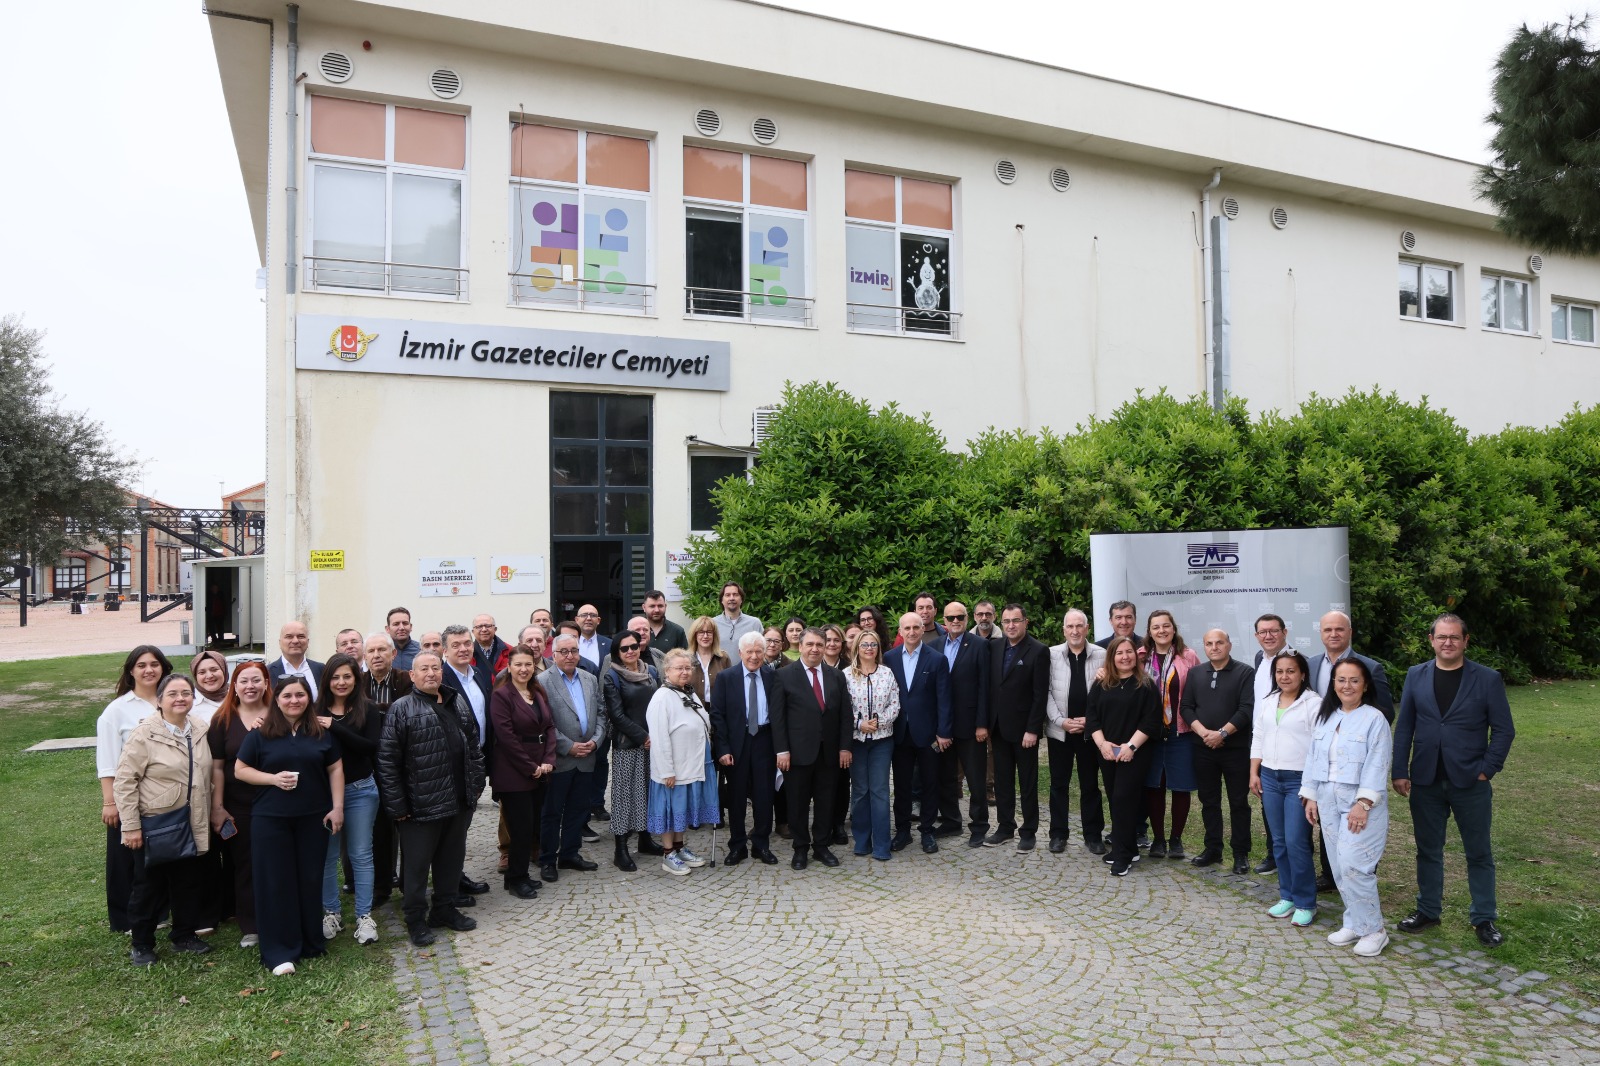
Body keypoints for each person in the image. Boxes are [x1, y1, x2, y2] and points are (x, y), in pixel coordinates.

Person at [1392, 613, 1515, 948]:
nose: (1448, 643)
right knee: (1428, 850)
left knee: (1479, 852)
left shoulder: (1487, 679)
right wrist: (1400, 770)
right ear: (1431, 640)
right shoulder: (1415, 675)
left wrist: (1487, 769)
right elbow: (1405, 727)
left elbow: (1504, 730)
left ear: (1465, 641)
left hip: (1470, 780)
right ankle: (1428, 910)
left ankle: (1484, 918)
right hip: (1425, 779)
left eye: (1454, 637)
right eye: (1442, 637)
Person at [235, 677, 345, 975]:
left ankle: (310, 942)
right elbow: (240, 769)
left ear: (309, 699)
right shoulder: (260, 733)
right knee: (275, 882)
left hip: (313, 818)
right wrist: (272, 779)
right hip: (271, 819)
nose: (294, 700)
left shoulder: (320, 732)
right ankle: (279, 952)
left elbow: (335, 768)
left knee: (309, 879)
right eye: (287, 696)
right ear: (276, 699)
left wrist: (337, 807)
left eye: (300, 695)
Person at [377, 652, 484, 947]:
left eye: (435, 668)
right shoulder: (402, 708)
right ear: (412, 675)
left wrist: (476, 784)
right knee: (416, 867)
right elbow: (387, 762)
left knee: (451, 860)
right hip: (419, 806)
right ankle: (415, 919)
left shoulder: (456, 701)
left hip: (458, 801)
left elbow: (474, 746)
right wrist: (398, 805)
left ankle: (444, 910)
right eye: (423, 669)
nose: (431, 673)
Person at [114, 673, 213, 966]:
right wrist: (131, 826)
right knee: (148, 887)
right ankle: (142, 944)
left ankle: (184, 935)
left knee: (188, 882)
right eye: (172, 694)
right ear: (159, 700)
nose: (180, 698)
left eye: (186, 693)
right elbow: (125, 781)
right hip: (157, 823)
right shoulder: (144, 734)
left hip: (192, 820)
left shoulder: (200, 728)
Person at [1302, 658, 1393, 957]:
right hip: (1327, 798)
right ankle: (1354, 922)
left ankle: (1375, 931)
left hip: (1360, 802)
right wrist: (1311, 795)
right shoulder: (1326, 717)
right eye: (1341, 680)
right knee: (1339, 866)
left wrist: (1363, 803)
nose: (1347, 686)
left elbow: (1378, 763)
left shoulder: (1375, 719)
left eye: (1354, 680)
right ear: (1333, 684)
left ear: (1365, 685)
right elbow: (1313, 758)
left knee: (1356, 864)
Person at [97, 645, 172, 932]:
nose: (149, 670)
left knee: (159, 855)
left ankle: (159, 913)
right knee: (125, 859)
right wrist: (110, 802)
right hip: (128, 796)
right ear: (131, 671)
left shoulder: (171, 701)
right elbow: (107, 761)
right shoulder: (117, 710)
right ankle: (124, 918)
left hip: (164, 796)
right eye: (142, 665)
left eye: (154, 664)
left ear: (163, 668)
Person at [313, 655, 383, 946]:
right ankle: (331, 913)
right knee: (327, 856)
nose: (341, 682)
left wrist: (335, 726)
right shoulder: (314, 709)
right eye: (335, 677)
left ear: (356, 679)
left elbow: (370, 747)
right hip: (324, 793)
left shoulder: (368, 709)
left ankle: (364, 916)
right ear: (326, 680)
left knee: (361, 854)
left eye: (347, 676)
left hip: (360, 790)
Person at [1250, 650, 1322, 927]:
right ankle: (1287, 896)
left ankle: (1306, 902)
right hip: (1269, 776)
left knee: (1296, 842)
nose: (1285, 676)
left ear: (1302, 674)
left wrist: (1311, 787)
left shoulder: (1313, 704)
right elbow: (1258, 736)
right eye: (1280, 671)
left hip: (1299, 781)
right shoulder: (1269, 701)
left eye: (1291, 671)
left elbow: (1319, 747)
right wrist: (1254, 772)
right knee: (1278, 841)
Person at [771, 628, 852, 869]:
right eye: (810, 644)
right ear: (800, 646)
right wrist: (781, 750)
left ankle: (821, 846)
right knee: (797, 803)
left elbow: (845, 715)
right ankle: (800, 848)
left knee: (826, 802)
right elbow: (778, 717)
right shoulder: (783, 675)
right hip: (797, 753)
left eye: (819, 644)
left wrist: (845, 747)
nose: (815, 649)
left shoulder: (836, 676)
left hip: (829, 753)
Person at [1179, 629, 1256, 873]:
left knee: (1238, 802)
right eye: (1209, 643)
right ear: (1204, 647)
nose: (1214, 647)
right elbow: (1186, 707)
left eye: (1219, 643)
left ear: (1229, 645)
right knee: (1208, 801)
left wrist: (1222, 734)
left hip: (1236, 749)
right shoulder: (1195, 673)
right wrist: (1205, 734)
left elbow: (1246, 709)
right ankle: (1213, 848)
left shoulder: (1245, 673)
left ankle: (1240, 853)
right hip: (1203, 748)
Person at [207, 660, 271, 948]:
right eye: (243, 681)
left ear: (266, 683)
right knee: (245, 864)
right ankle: (251, 925)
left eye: (256, 680)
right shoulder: (223, 720)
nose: (250, 686)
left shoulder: (280, 713)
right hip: (239, 804)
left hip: (275, 801)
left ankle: (278, 914)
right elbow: (217, 768)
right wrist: (218, 806)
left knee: (276, 861)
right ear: (234, 685)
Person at [1086, 636, 1161, 877]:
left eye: (1129, 652)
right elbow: (1092, 717)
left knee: (1123, 799)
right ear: (1112, 657)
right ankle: (1128, 847)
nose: (1125, 657)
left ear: (1136, 656)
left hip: (1135, 753)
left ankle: (1122, 855)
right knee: (1115, 799)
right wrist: (1102, 745)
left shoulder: (1146, 685)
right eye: (1119, 653)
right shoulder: (1101, 684)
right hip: (1107, 752)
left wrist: (1131, 747)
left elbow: (1151, 721)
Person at [489, 644, 557, 900]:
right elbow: (506, 737)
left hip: (541, 768)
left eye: (528, 664)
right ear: (509, 667)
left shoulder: (537, 691)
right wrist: (531, 767)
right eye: (518, 664)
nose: (523, 669)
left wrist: (548, 760)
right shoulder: (502, 695)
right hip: (513, 772)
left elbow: (549, 727)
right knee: (519, 828)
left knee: (531, 827)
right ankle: (515, 880)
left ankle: (521, 874)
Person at [537, 634, 607, 882]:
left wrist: (596, 741)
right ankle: (547, 859)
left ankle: (570, 854)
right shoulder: (542, 681)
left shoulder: (589, 678)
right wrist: (568, 746)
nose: (569, 656)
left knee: (578, 810)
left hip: (587, 756)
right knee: (552, 812)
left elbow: (601, 713)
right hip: (560, 759)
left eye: (574, 651)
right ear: (553, 654)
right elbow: (543, 722)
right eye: (564, 652)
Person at [646, 650, 720, 874]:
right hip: (673, 768)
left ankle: (679, 847)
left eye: (688, 668)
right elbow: (659, 737)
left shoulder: (688, 693)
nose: (685, 672)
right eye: (679, 668)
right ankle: (668, 853)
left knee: (683, 809)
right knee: (670, 811)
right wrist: (666, 770)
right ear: (667, 671)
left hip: (692, 764)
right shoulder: (662, 698)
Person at [710, 632, 781, 866]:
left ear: (764, 653)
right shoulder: (726, 677)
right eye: (749, 651)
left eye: (759, 651)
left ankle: (761, 845)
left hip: (765, 740)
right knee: (737, 797)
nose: (754, 656)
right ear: (740, 653)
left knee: (764, 796)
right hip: (736, 743)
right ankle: (737, 846)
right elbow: (717, 715)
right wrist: (722, 749)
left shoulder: (773, 676)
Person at [886, 613, 952, 854]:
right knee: (901, 785)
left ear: (923, 629)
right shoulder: (889, 658)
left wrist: (943, 732)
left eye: (917, 627)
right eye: (907, 628)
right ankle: (902, 830)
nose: (912, 632)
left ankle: (927, 831)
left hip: (929, 734)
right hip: (899, 733)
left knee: (929, 784)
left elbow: (944, 698)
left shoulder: (937, 659)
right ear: (900, 631)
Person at [984, 604, 1049, 851]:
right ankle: (1005, 827)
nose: (1011, 625)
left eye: (1016, 620)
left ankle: (1029, 831)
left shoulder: (1038, 650)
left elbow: (1040, 695)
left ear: (1025, 622)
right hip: (999, 728)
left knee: (1027, 783)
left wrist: (1033, 729)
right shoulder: (994, 647)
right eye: (1007, 621)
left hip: (1024, 731)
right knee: (1002, 782)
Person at [1045, 609, 1107, 855]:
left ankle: (1093, 836)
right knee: (1058, 784)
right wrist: (1060, 721)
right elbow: (1046, 691)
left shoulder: (1102, 655)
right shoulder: (1051, 655)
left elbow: (1108, 693)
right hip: (1060, 731)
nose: (1075, 631)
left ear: (1087, 628)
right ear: (1064, 630)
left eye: (1079, 626)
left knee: (1090, 785)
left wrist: (1091, 721)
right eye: (1070, 626)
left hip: (1089, 733)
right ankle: (1058, 834)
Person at [441, 624, 494, 900]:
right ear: (445, 650)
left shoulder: (479, 674)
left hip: (477, 761)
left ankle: (456, 876)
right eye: (456, 645)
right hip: (452, 766)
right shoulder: (441, 678)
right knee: (452, 829)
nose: (463, 649)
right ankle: (449, 886)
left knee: (463, 826)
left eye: (466, 643)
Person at [601, 629, 662, 871]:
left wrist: (655, 735)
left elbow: (660, 705)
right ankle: (621, 850)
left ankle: (645, 839)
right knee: (624, 796)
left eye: (633, 646)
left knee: (648, 792)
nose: (630, 651)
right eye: (624, 648)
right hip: (628, 745)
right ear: (617, 652)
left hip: (653, 744)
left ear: (640, 647)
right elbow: (616, 715)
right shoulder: (612, 677)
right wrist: (643, 736)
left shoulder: (652, 672)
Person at [1142, 609, 1199, 860]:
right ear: (1149, 631)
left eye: (1166, 626)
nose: (1161, 631)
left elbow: (1197, 691)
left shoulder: (1188, 656)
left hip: (1180, 731)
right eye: (1156, 627)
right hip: (1149, 733)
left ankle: (1176, 839)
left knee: (1180, 786)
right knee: (1154, 786)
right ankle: (1157, 839)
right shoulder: (1140, 656)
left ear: (1173, 629)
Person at [362, 631, 411, 901]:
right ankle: (381, 885)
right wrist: (385, 709)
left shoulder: (406, 679)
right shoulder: (357, 682)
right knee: (379, 829)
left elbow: (407, 715)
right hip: (371, 764)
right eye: (371, 651)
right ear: (364, 656)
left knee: (409, 828)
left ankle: (408, 885)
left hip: (404, 763)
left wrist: (373, 710)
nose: (376, 655)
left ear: (393, 654)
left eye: (382, 650)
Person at [938, 601, 991, 848]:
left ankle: (979, 826)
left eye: (960, 617)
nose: (955, 621)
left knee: (976, 779)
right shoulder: (935, 646)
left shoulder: (979, 645)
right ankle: (951, 821)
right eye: (951, 618)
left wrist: (982, 724)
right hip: (943, 727)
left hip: (971, 726)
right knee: (946, 777)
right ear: (944, 620)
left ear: (967, 618)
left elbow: (985, 687)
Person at [844, 630, 899, 860]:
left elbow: (895, 704)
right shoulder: (846, 675)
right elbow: (842, 708)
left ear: (878, 648)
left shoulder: (887, 673)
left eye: (873, 644)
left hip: (882, 741)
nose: (869, 648)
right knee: (859, 791)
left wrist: (878, 723)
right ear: (857, 647)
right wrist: (859, 724)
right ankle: (862, 840)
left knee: (880, 791)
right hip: (856, 741)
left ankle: (882, 844)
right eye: (865, 644)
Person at [1250, 613, 1291, 874]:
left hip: (1287, 744)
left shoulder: (1295, 661)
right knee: (1268, 801)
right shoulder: (1259, 659)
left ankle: (1294, 855)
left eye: (1274, 631)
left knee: (1292, 804)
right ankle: (1274, 854)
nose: (1268, 636)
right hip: (1262, 740)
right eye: (1263, 632)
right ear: (1256, 636)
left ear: (1284, 632)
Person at [1308, 611, 1394, 719]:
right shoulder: (1310, 665)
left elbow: (1386, 713)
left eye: (1339, 629)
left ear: (1350, 632)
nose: (1333, 634)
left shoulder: (1371, 668)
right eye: (1328, 630)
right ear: (1321, 633)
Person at [269, 621, 324, 700]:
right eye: (289, 637)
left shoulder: (321, 669)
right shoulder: (268, 672)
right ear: (280, 642)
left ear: (308, 641)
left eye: (301, 636)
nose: (295, 641)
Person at [688, 616, 732, 702]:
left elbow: (730, 685)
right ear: (695, 635)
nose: (705, 636)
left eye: (709, 632)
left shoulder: (723, 658)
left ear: (714, 635)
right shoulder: (686, 659)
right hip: (693, 707)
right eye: (701, 632)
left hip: (718, 707)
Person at [714, 582, 763, 649]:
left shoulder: (754, 623)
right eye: (727, 595)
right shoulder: (713, 623)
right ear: (722, 600)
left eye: (735, 595)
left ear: (741, 599)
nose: (731, 598)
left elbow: (763, 649)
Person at [190, 650, 229, 725]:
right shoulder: (189, 703)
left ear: (224, 670)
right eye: (202, 672)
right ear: (195, 676)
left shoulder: (238, 695)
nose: (209, 676)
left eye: (214, 670)